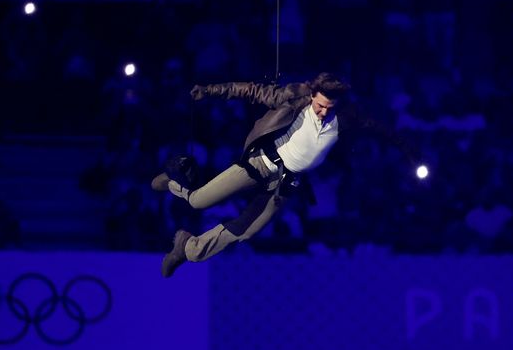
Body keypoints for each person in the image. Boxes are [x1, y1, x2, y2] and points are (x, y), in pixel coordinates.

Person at [152, 72, 410, 277]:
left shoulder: (344, 117)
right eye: (320, 106)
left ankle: (188, 248)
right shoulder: (295, 97)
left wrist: (410, 151)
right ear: (313, 96)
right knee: (198, 201)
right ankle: (174, 182)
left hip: (285, 183)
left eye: (330, 108)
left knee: (247, 231)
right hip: (261, 163)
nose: (323, 112)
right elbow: (250, 90)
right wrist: (210, 91)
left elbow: (379, 128)